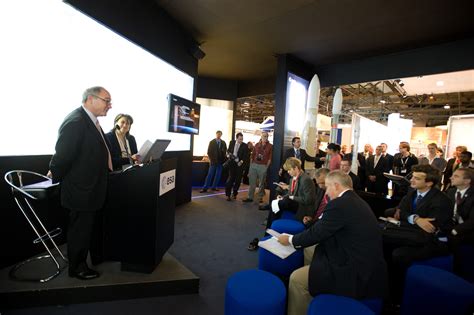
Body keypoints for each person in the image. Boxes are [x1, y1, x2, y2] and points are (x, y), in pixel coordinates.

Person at [278, 171, 388, 315]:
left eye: (328, 187)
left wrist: (291, 240)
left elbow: (318, 232)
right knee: (310, 249)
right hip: (359, 257)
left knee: (296, 280)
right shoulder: (354, 200)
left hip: (354, 269)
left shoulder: (340, 204)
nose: (327, 193)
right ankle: (314, 284)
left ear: (336, 186)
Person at [48, 86, 112, 280]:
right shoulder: (76, 121)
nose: (110, 105)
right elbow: (63, 156)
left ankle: (89, 260)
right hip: (80, 190)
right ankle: (77, 269)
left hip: (91, 187)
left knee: (86, 229)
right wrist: (54, 176)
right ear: (90, 99)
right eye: (106, 100)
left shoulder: (91, 121)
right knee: (80, 232)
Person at [384, 164, 452, 302]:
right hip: (412, 234)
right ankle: (386, 287)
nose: (412, 181)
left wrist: (410, 219)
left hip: (433, 241)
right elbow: (401, 211)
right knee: (383, 243)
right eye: (412, 177)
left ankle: (399, 296)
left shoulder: (441, 200)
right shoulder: (412, 192)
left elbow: (430, 228)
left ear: (429, 183)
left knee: (399, 254)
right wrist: (415, 219)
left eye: (417, 178)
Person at [248, 157, 316, 251]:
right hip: (294, 204)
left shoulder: (305, 180)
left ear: (296, 168)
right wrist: (285, 197)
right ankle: (269, 232)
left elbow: (308, 200)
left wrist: (290, 197)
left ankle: (267, 234)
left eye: (289, 170)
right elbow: (291, 193)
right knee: (281, 201)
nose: (288, 172)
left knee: (282, 202)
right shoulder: (293, 179)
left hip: (302, 208)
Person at [447, 168, 474, 277]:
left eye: (456, 176)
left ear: (467, 181)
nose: (451, 177)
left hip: (467, 230)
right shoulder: (451, 192)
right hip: (451, 225)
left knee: (454, 241)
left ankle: (459, 275)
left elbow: (472, 221)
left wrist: (454, 230)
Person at [243, 132, 272, 203]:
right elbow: (252, 156)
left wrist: (266, 167)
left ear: (268, 137)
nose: (265, 138)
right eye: (263, 136)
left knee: (261, 183)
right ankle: (250, 197)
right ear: (261, 137)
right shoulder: (256, 144)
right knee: (252, 182)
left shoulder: (270, 146)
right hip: (254, 165)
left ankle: (260, 197)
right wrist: (251, 166)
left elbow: (270, 158)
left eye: (266, 136)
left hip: (263, 166)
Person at [225, 132, 249, 201]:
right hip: (232, 164)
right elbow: (228, 151)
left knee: (238, 181)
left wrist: (241, 162)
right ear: (236, 138)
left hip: (239, 165)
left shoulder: (244, 145)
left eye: (242, 139)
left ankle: (234, 194)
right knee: (230, 179)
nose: (241, 141)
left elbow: (246, 156)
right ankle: (228, 195)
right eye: (239, 139)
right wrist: (228, 155)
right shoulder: (232, 142)